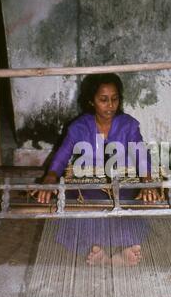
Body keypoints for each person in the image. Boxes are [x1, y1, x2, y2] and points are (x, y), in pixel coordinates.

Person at [37, 73, 162, 265]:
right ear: (91, 101)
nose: (110, 105)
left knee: (126, 200)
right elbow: (62, 155)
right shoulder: (79, 127)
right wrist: (51, 176)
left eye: (114, 99)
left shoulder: (128, 125)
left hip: (121, 182)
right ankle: (96, 250)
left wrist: (147, 181)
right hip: (88, 183)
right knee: (83, 201)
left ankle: (120, 250)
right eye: (103, 100)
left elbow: (140, 153)